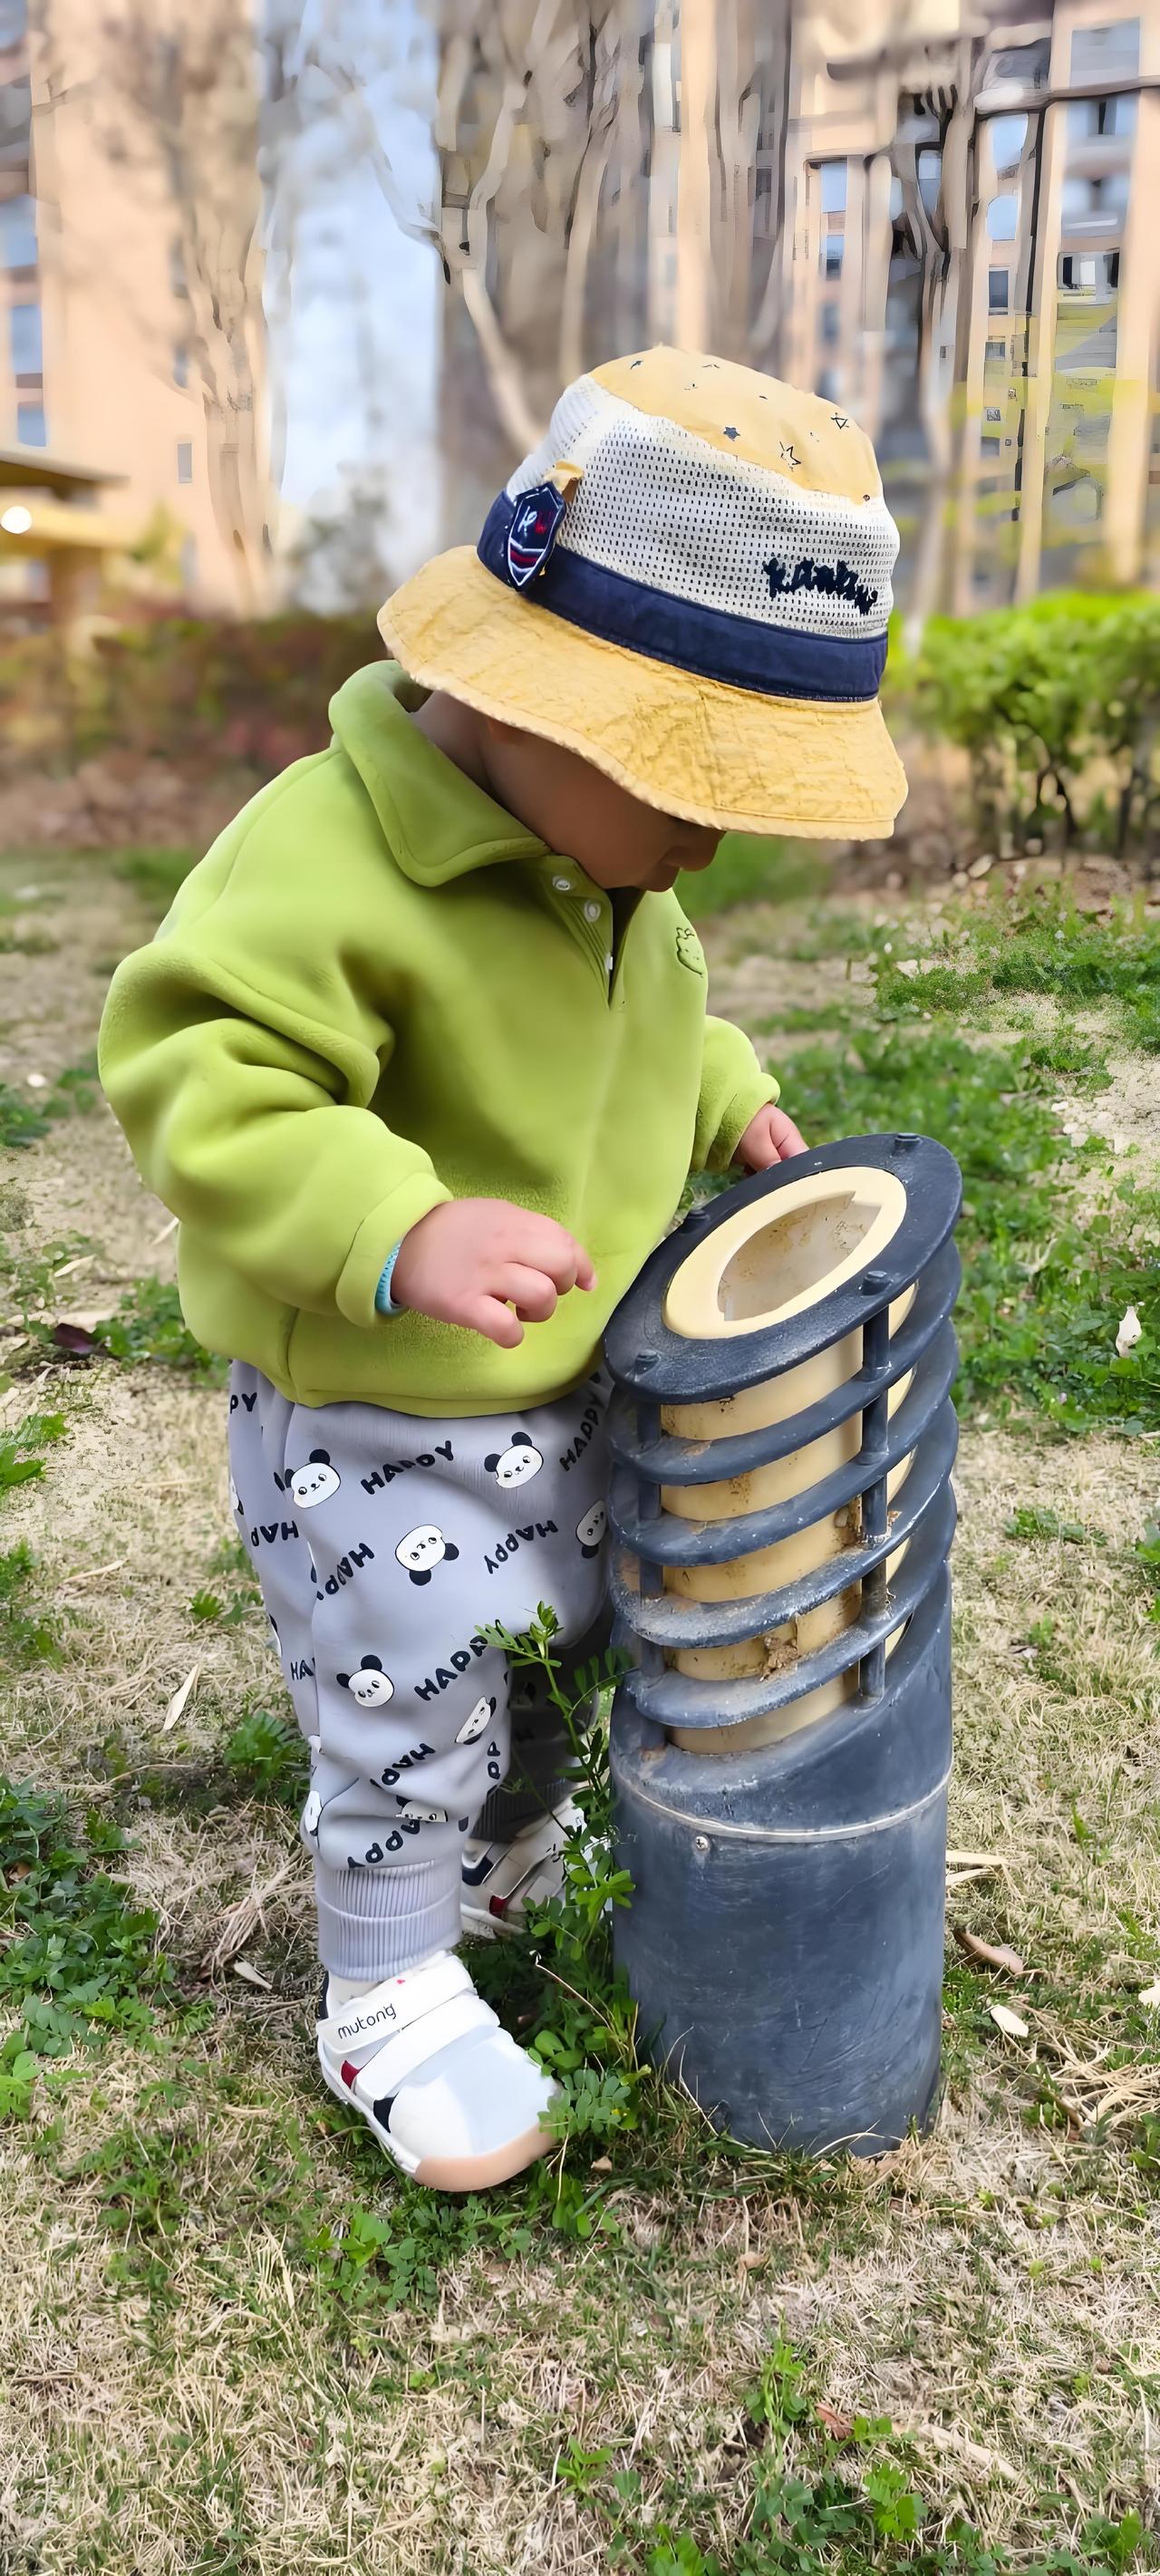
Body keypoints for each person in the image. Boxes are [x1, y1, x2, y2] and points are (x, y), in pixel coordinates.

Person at [99, 346, 904, 2194]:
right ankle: (380, 1984)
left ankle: (492, 1869)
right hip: (370, 1419)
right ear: (524, 694)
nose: (709, 839)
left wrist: (731, 1102)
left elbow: (654, 1017)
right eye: (691, 782)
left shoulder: (607, 861)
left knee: (550, 1661)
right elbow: (192, 1072)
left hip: (566, 1387)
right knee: (416, 1686)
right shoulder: (328, 855)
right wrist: (395, 1224)